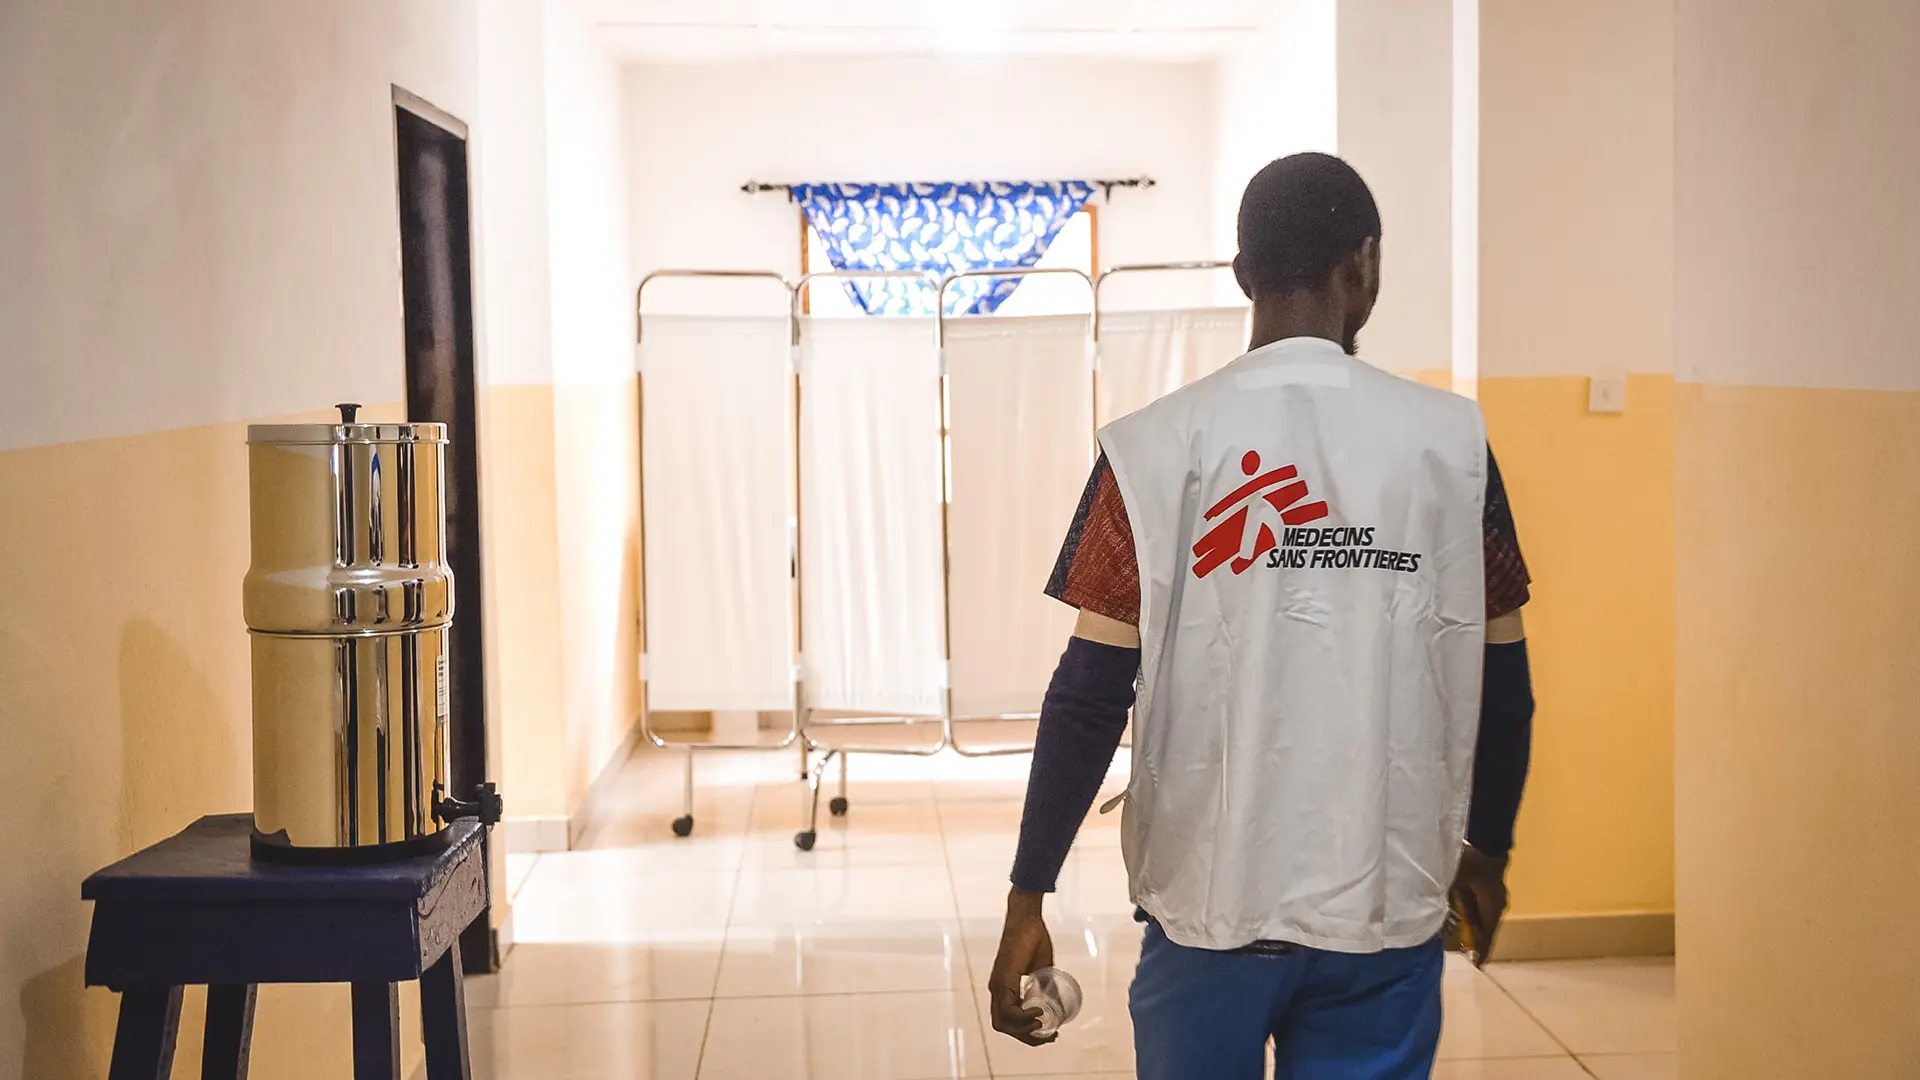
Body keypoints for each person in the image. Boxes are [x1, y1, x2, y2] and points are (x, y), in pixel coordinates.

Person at [987, 152, 1536, 1080]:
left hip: (1210, 912)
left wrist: (1027, 894)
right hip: (1385, 908)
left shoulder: (1151, 449)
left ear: (1242, 274)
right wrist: (1489, 843)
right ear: (1365, 263)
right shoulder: (1453, 447)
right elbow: (1508, 684)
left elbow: (1087, 695)